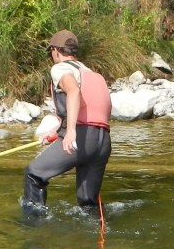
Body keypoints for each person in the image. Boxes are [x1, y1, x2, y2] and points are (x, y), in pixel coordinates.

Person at [21, 30, 112, 215]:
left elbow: (73, 91)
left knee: (34, 174)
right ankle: (94, 238)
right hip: (103, 142)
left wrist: (70, 131)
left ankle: (33, 226)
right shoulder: (91, 73)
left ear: (55, 50)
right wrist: (58, 132)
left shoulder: (60, 69)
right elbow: (92, 113)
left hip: (81, 139)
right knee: (87, 203)